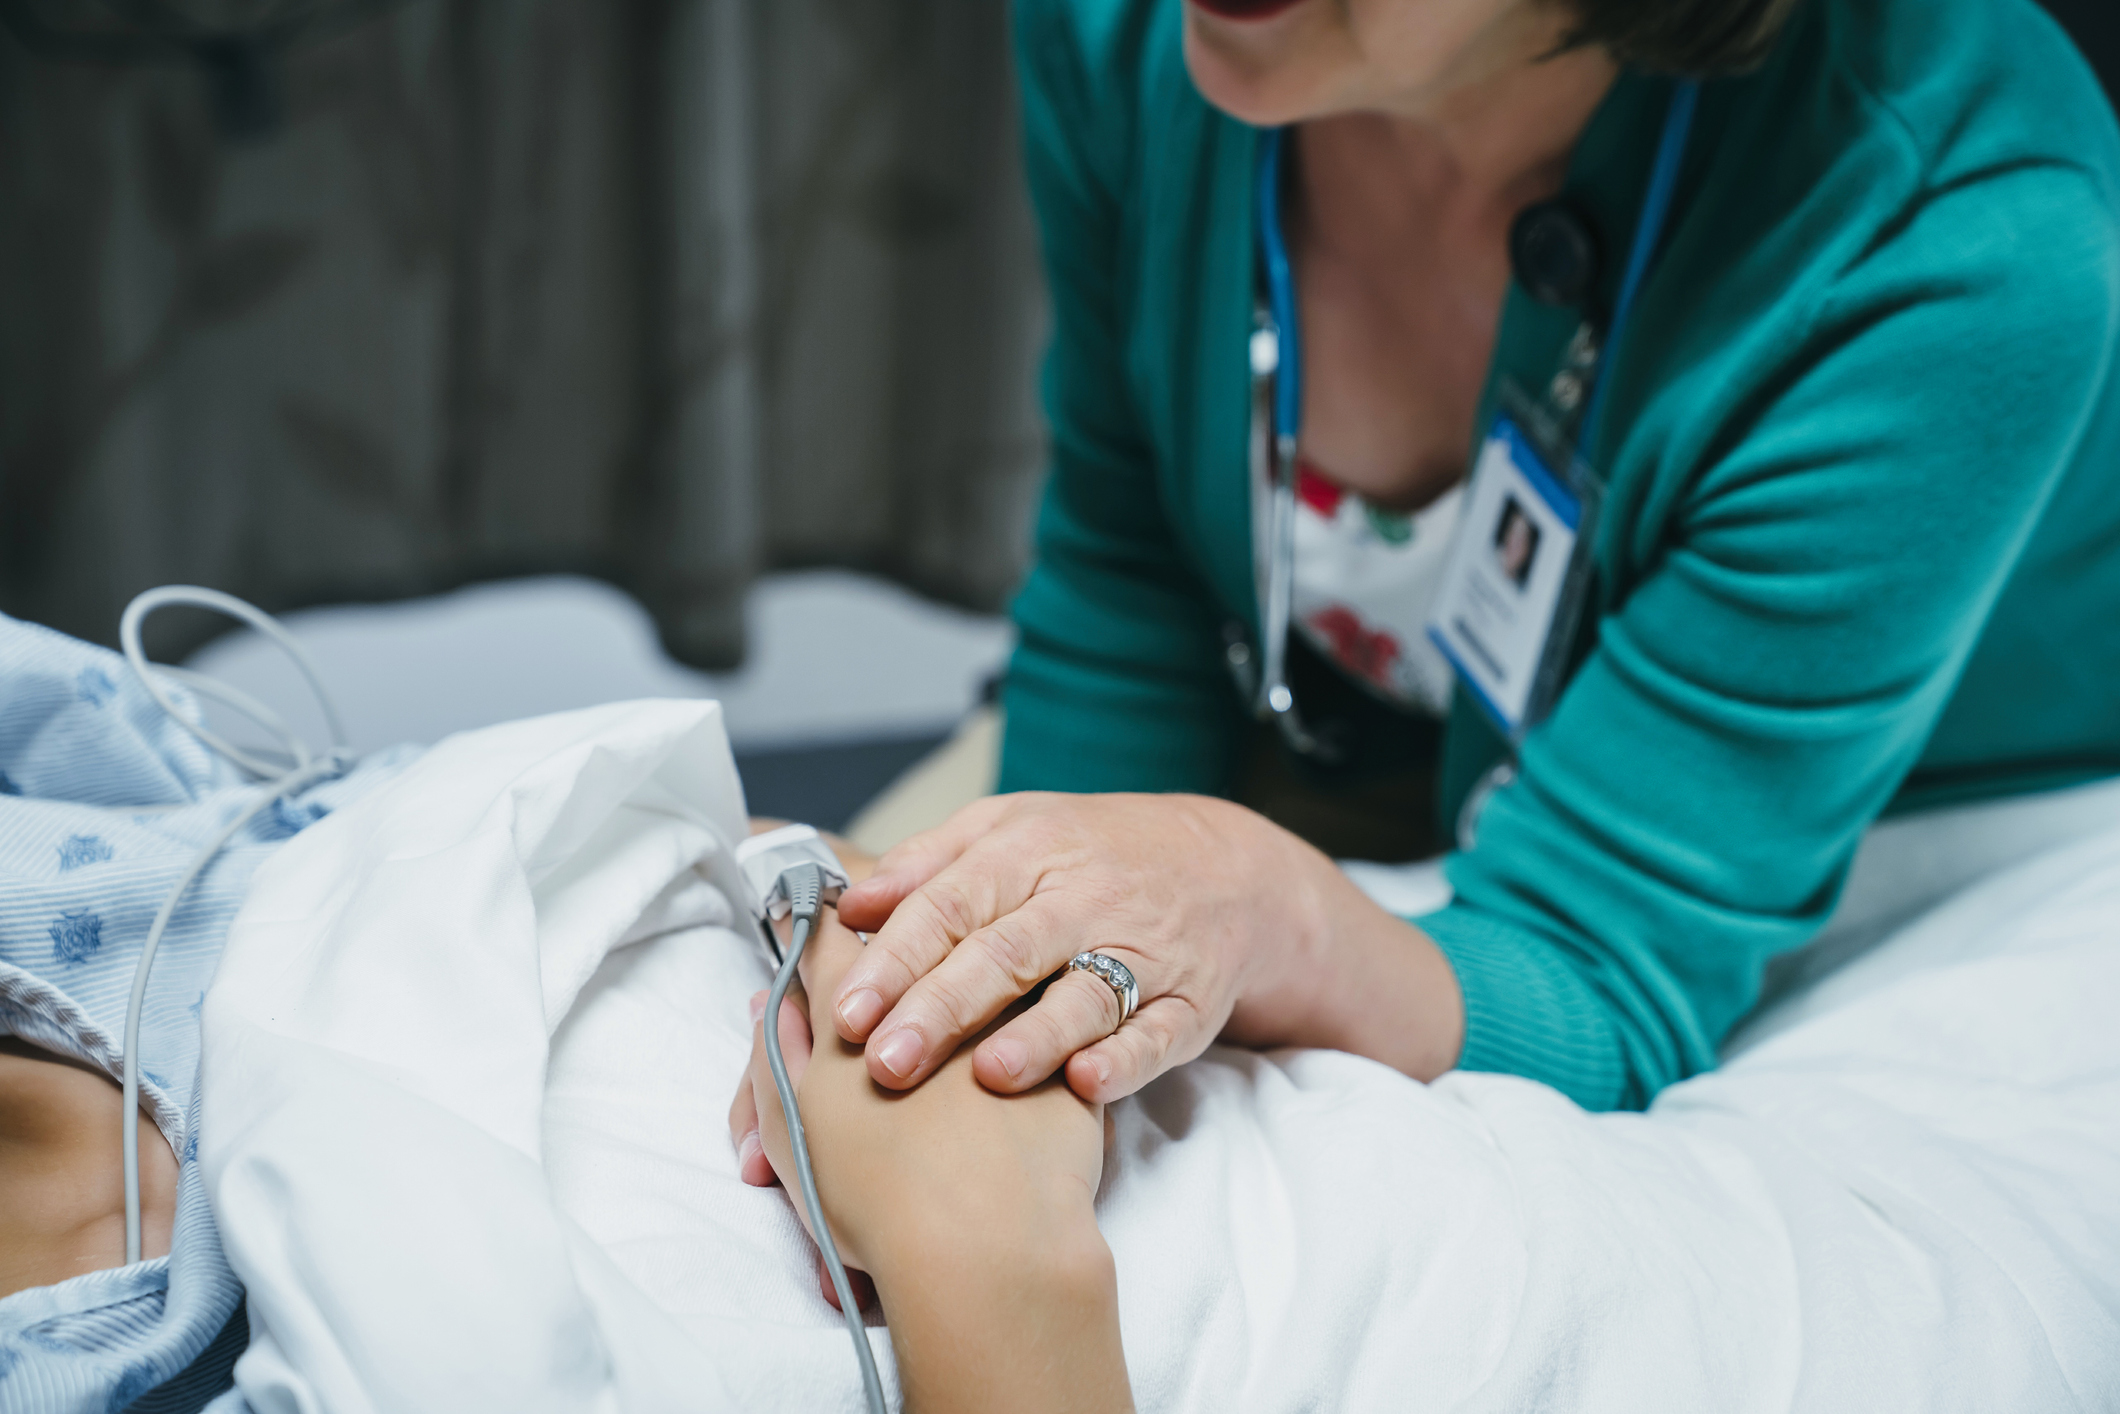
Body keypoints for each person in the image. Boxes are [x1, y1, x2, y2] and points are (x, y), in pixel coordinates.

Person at [733, 0, 2120, 1219]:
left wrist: (1259, 901)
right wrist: (1027, 919)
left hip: (1896, 854)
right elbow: (1127, 564)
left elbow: (1604, 965)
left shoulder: (1963, 235)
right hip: (1407, 777)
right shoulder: (1131, 31)